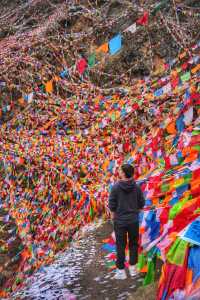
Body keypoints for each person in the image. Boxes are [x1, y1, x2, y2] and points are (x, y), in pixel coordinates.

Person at [108, 163, 145, 279]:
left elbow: (112, 204)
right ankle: (133, 269)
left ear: (124, 173)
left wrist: (113, 216)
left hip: (120, 221)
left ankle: (121, 271)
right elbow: (141, 203)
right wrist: (135, 211)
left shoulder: (116, 187)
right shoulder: (137, 187)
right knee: (134, 244)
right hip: (133, 220)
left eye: (120, 170)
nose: (118, 171)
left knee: (121, 245)